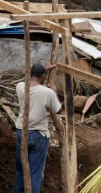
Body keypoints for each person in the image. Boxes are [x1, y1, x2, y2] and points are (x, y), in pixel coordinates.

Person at [14, 63, 62, 193]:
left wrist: (42, 70)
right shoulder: (48, 93)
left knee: (20, 171)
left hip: (21, 133)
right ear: (43, 76)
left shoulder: (20, 87)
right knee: (34, 174)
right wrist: (55, 92)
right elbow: (57, 109)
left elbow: (28, 79)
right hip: (38, 136)